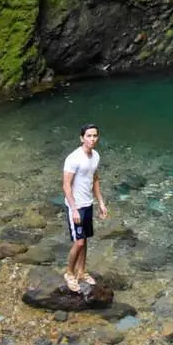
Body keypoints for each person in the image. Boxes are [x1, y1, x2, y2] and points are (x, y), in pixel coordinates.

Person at [63, 123, 108, 292]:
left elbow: (95, 179)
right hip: (76, 206)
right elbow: (66, 185)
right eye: (88, 136)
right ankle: (69, 273)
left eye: (95, 135)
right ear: (82, 138)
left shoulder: (95, 156)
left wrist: (101, 203)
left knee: (86, 238)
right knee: (79, 242)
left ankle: (81, 271)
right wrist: (74, 209)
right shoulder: (73, 158)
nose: (92, 139)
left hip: (88, 203)